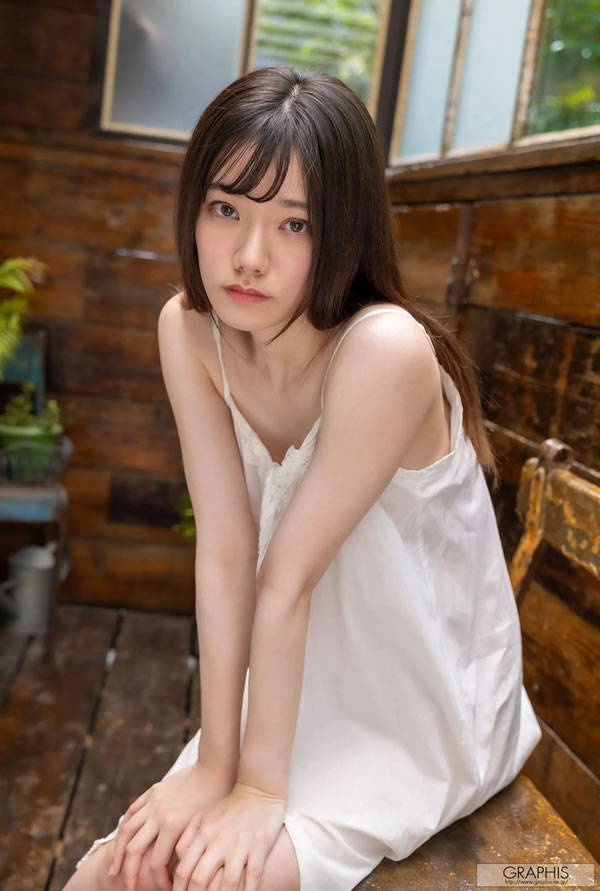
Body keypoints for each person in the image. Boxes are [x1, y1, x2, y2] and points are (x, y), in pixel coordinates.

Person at [64, 65, 541, 891]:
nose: (249, 257)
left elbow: (286, 577)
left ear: (344, 235)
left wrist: (255, 790)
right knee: (118, 867)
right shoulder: (190, 330)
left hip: (419, 706)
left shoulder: (385, 350)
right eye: (226, 209)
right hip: (295, 684)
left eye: (294, 224)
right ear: (193, 208)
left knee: (213, 879)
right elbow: (225, 549)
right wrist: (215, 766)